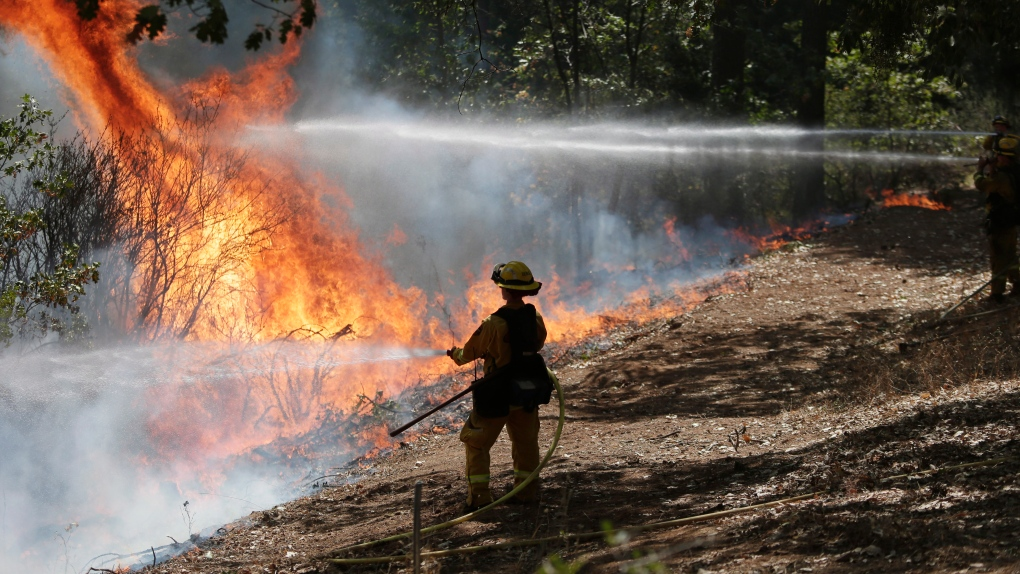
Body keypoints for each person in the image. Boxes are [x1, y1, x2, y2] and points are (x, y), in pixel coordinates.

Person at [446, 261, 555, 510]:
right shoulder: (533, 316)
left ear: (503, 289)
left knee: (476, 442)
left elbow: (470, 353)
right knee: (527, 444)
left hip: (498, 393)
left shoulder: (494, 322)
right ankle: (526, 494)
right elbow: (537, 344)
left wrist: (457, 355)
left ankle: (480, 498)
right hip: (526, 391)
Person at [975, 134, 1020, 303]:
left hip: (1002, 220)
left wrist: (980, 170)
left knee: (998, 257)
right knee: (1010, 255)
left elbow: (982, 185)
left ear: (1003, 157)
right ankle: (1017, 284)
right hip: (1012, 218)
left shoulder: (1001, 177)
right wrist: (994, 169)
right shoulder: (1015, 169)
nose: (996, 158)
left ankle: (997, 294)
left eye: (998, 155)